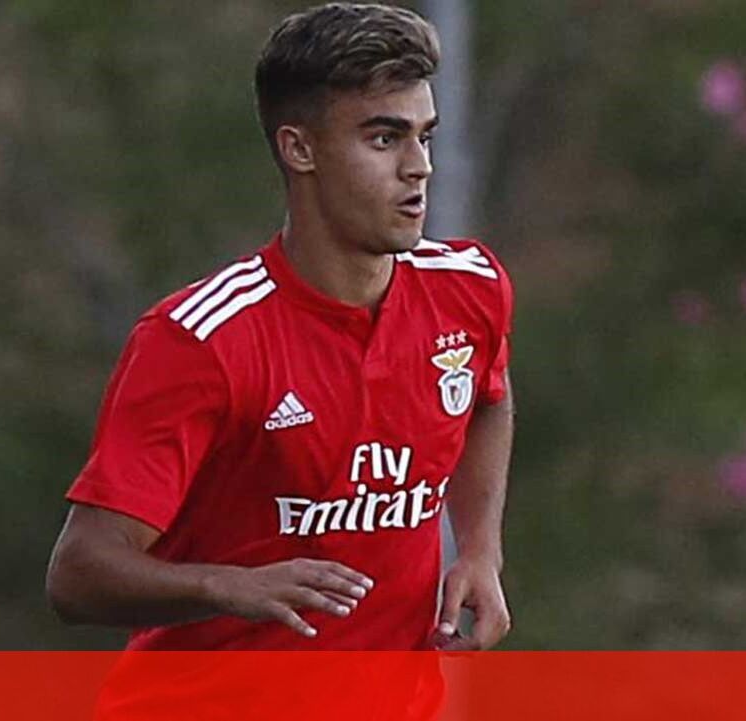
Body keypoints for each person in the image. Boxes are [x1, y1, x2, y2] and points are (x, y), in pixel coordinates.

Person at [46, 1, 514, 652]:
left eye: (424, 136)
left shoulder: (468, 288)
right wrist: (225, 585)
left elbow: (487, 396)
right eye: (384, 139)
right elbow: (78, 573)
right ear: (299, 148)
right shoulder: (202, 340)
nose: (419, 166)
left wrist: (480, 550)